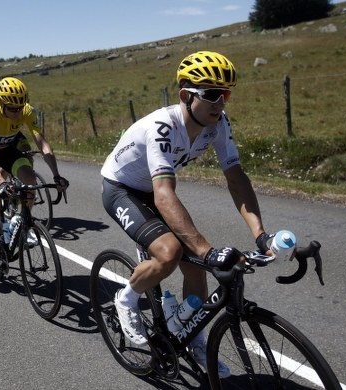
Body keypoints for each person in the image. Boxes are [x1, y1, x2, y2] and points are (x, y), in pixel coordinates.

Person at [100, 51, 275, 378]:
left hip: (154, 189)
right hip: (121, 188)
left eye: (225, 95)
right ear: (185, 95)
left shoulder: (218, 123)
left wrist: (260, 235)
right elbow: (164, 195)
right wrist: (208, 250)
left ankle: (191, 336)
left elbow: (236, 178)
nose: (220, 103)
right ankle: (126, 299)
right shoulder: (163, 127)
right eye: (211, 94)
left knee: (197, 269)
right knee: (170, 252)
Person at [0, 77, 68, 271]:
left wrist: (56, 175)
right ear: (1, 103)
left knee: (30, 179)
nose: (17, 113)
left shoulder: (26, 111)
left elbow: (42, 143)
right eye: (12, 109)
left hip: (7, 148)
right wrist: (0, 181)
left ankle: (19, 219)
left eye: (20, 108)